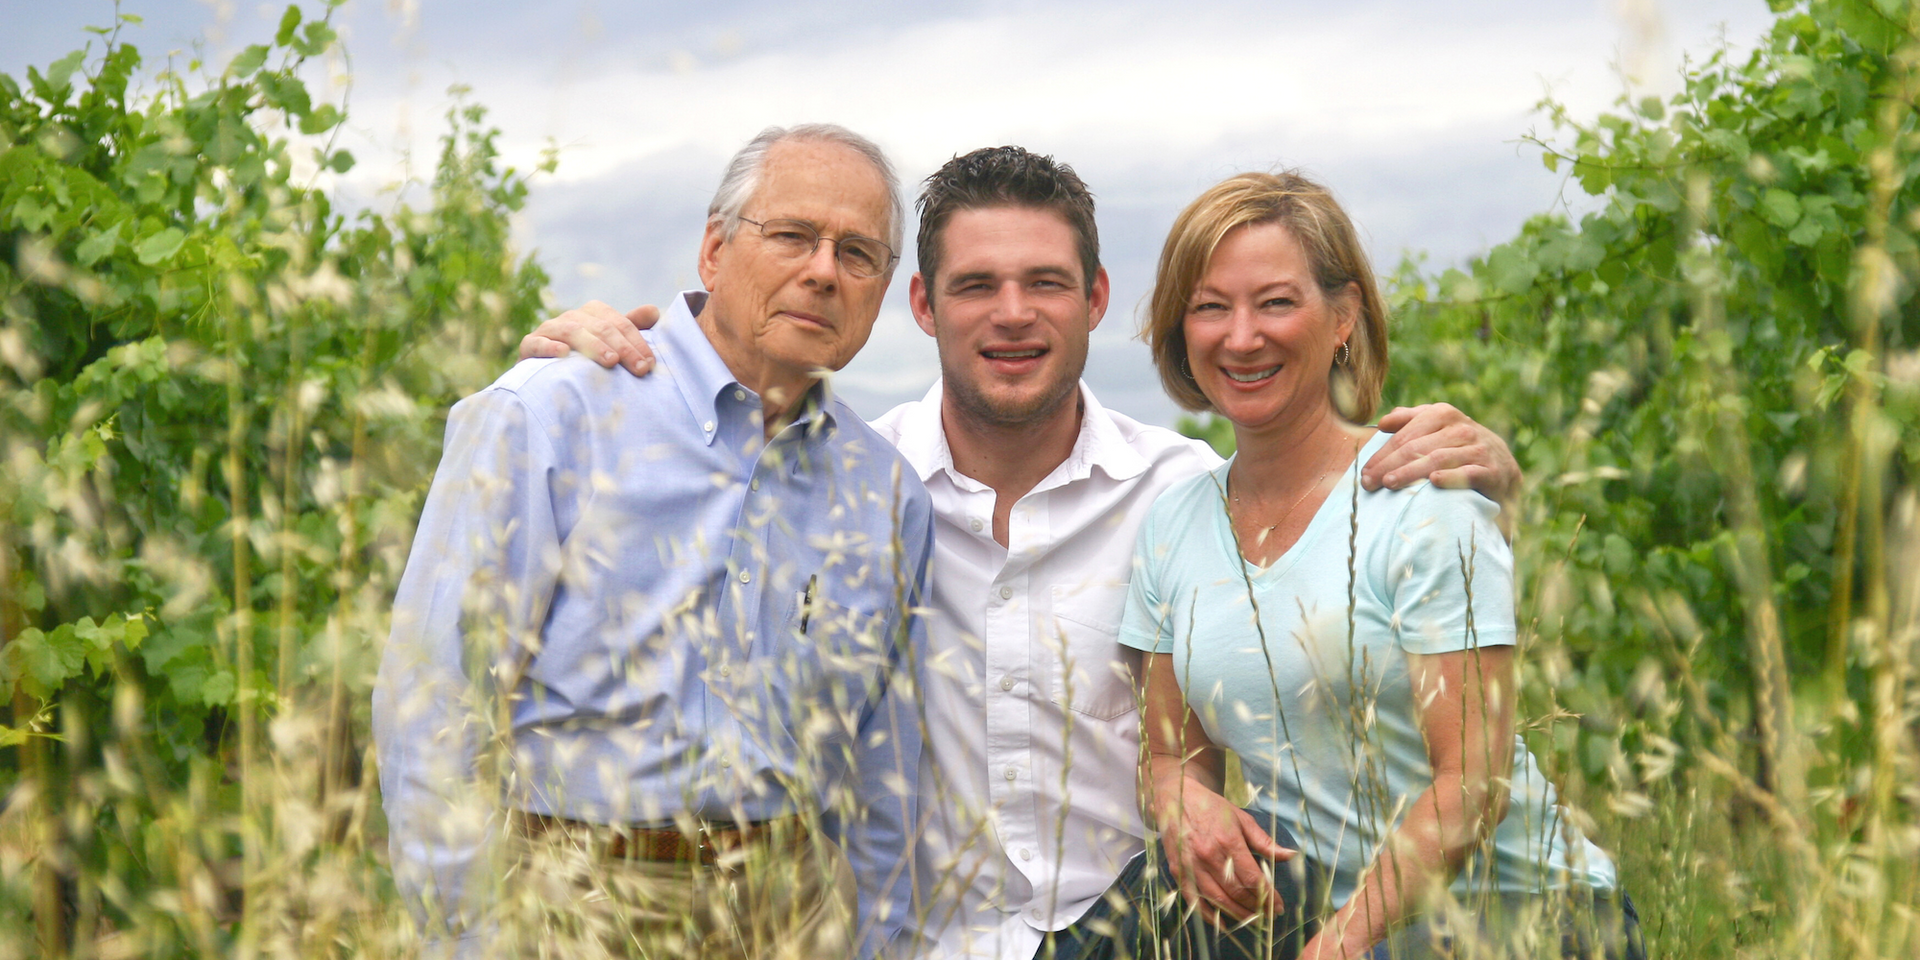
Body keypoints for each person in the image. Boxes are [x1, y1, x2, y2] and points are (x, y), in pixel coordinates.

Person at [519, 146, 1523, 960]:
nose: (1011, 314)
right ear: (923, 306)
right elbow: (689, 475)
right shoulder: (843, 489)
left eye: (1045, 283)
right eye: (975, 286)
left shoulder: (1183, 496)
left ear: (1094, 300)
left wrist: (1490, 475)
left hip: (1128, 938)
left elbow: (1351, 555)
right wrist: (590, 362)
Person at [372, 124, 935, 960]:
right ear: (714, 250)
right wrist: (465, 935)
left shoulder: (885, 493)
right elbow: (432, 697)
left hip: (790, 914)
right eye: (791, 236)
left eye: (858, 254)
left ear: (883, 291)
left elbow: (888, 770)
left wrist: (884, 946)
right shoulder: (550, 414)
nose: (823, 271)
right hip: (571, 905)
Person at [1118, 170, 1638, 959]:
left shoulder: (1424, 498)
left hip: (1519, 911)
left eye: (1277, 301)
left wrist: (1339, 946)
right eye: (1210, 306)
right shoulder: (1174, 525)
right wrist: (1182, 803)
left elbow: (1475, 785)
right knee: (1140, 911)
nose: (1242, 334)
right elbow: (1170, 756)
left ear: (1344, 318)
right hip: (1321, 898)